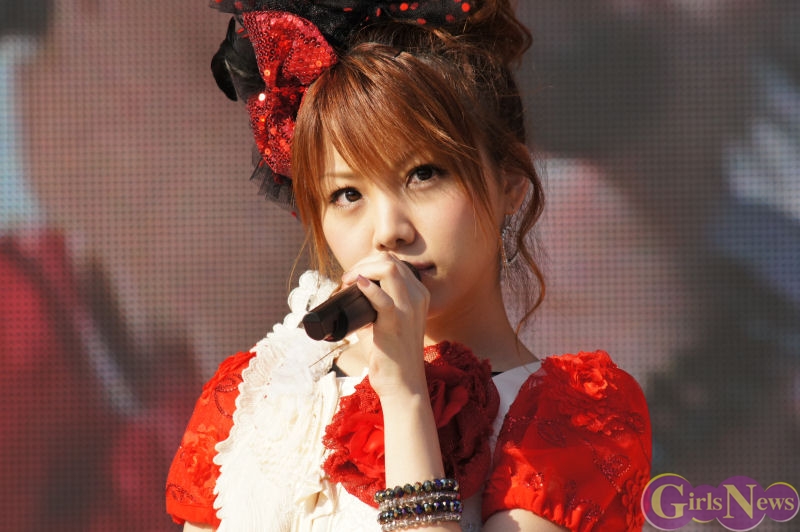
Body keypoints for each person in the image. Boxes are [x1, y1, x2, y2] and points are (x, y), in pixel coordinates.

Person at [165, 1, 652, 530]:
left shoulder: (572, 420)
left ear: (510, 180)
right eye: (348, 193)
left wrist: (404, 395)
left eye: (423, 174)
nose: (387, 230)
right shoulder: (249, 395)